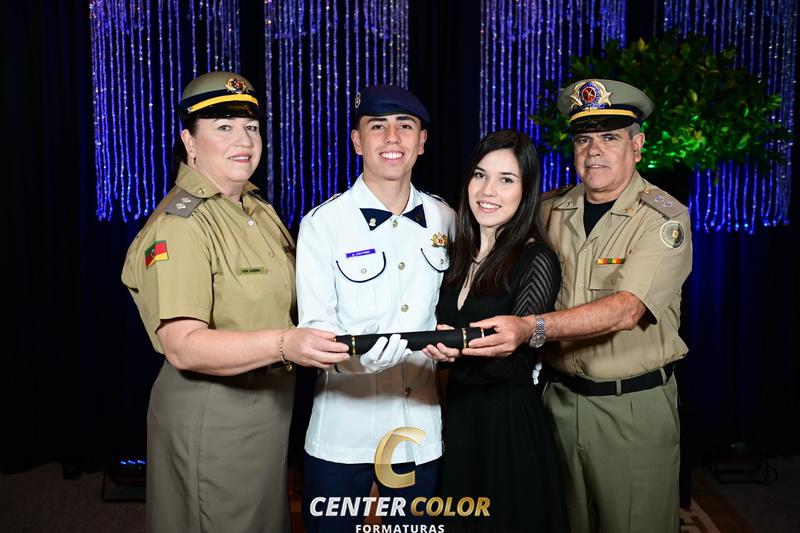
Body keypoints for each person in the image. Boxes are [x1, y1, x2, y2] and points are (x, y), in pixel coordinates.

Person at [121, 71, 349, 533]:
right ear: (190, 141)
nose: (243, 140)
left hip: (267, 414)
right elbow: (183, 345)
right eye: (223, 127)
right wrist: (287, 344)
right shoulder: (181, 225)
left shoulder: (254, 209)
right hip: (215, 418)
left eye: (251, 127)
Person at [466, 79, 693, 533]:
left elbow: (626, 310)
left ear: (637, 146)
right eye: (584, 139)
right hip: (557, 403)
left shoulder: (663, 219)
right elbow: (489, 228)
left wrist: (529, 328)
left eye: (610, 138)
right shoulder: (549, 209)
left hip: (630, 408)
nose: (594, 151)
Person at [295, 85, 455, 532]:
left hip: (419, 431)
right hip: (343, 431)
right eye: (377, 126)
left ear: (421, 142)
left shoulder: (446, 219)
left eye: (405, 126)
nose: (392, 138)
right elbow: (315, 328)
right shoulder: (323, 224)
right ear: (357, 141)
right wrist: (359, 360)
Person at [421, 129, 570, 533]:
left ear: (526, 190)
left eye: (506, 180)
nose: (488, 191)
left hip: (506, 425)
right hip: (460, 418)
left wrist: (456, 348)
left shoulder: (535, 259)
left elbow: (516, 362)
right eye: (480, 175)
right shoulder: (458, 251)